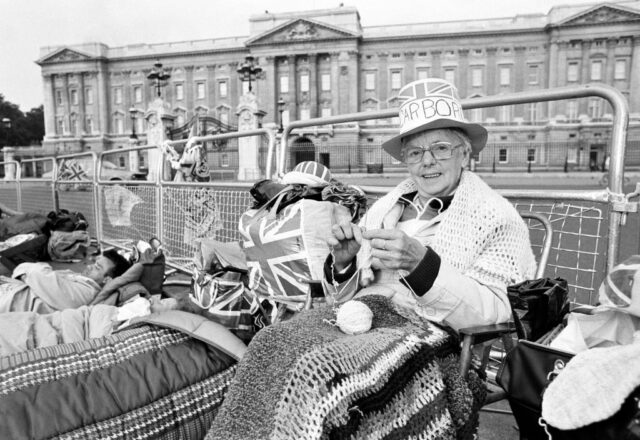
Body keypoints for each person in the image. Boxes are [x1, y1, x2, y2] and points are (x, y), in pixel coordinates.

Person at [324, 77, 536, 331]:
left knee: (315, 364)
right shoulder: (383, 209)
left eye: (441, 148)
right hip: (358, 322)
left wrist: (421, 265)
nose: (427, 161)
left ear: (465, 153)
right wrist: (343, 265)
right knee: (274, 343)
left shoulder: (497, 217)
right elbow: (338, 300)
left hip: (424, 335)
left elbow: (498, 313)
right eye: (415, 152)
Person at [0, 249, 131, 313]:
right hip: (11, 293)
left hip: (10, 301)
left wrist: (28, 269)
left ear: (107, 280)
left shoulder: (87, 291)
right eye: (94, 263)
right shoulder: (81, 282)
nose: (89, 266)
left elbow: (37, 274)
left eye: (97, 267)